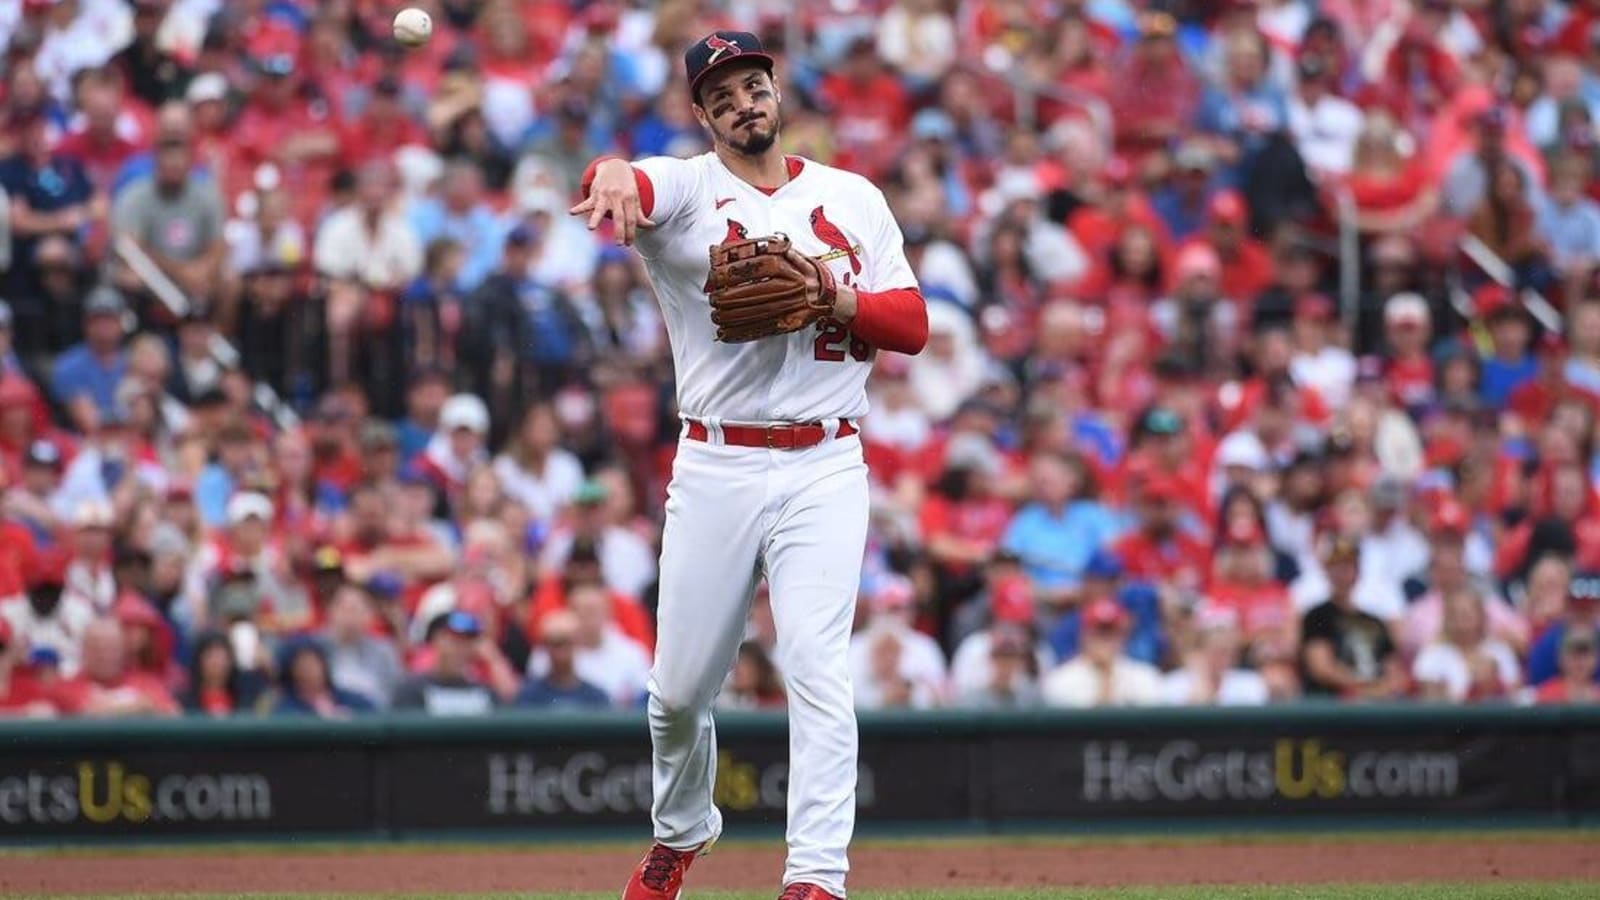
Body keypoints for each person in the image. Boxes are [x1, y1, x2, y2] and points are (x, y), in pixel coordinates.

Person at [577, 31, 928, 900]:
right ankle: (682, 830)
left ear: (778, 89)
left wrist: (831, 294)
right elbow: (625, 183)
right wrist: (614, 168)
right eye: (722, 93)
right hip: (717, 462)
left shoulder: (853, 196)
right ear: (702, 115)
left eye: (752, 82)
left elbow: (913, 326)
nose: (743, 100)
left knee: (817, 667)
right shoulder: (692, 188)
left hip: (826, 463)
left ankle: (815, 878)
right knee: (677, 695)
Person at [1299, 535, 1408, 700]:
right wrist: (1366, 687)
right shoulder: (1316, 615)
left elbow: (1394, 669)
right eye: (1336, 567)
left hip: (1378, 702)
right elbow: (1321, 668)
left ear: (1358, 572)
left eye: (1348, 566)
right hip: (1336, 704)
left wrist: (1383, 688)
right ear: (1327, 572)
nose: (1342, 574)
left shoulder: (1375, 621)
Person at [1040, 599, 1163, 707]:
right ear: (1084, 636)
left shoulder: (1144, 676)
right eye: (1099, 632)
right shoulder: (1060, 679)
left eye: (1111, 633)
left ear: (1123, 636)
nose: (1105, 640)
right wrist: (1104, 680)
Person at [53, 618, 180, 717]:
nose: (104, 655)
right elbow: (87, 714)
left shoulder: (147, 682)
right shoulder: (66, 687)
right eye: (96, 648)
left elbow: (173, 713)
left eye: (111, 648)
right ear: (83, 651)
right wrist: (141, 707)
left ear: (123, 650)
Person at [392, 610, 498, 716]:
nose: (460, 649)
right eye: (453, 640)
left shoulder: (486, 693)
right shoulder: (412, 690)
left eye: (466, 642)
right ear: (435, 641)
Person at [514, 609, 611, 710]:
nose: (561, 651)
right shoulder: (529, 696)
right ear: (546, 647)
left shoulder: (596, 698)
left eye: (567, 643)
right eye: (555, 644)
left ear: (577, 644)